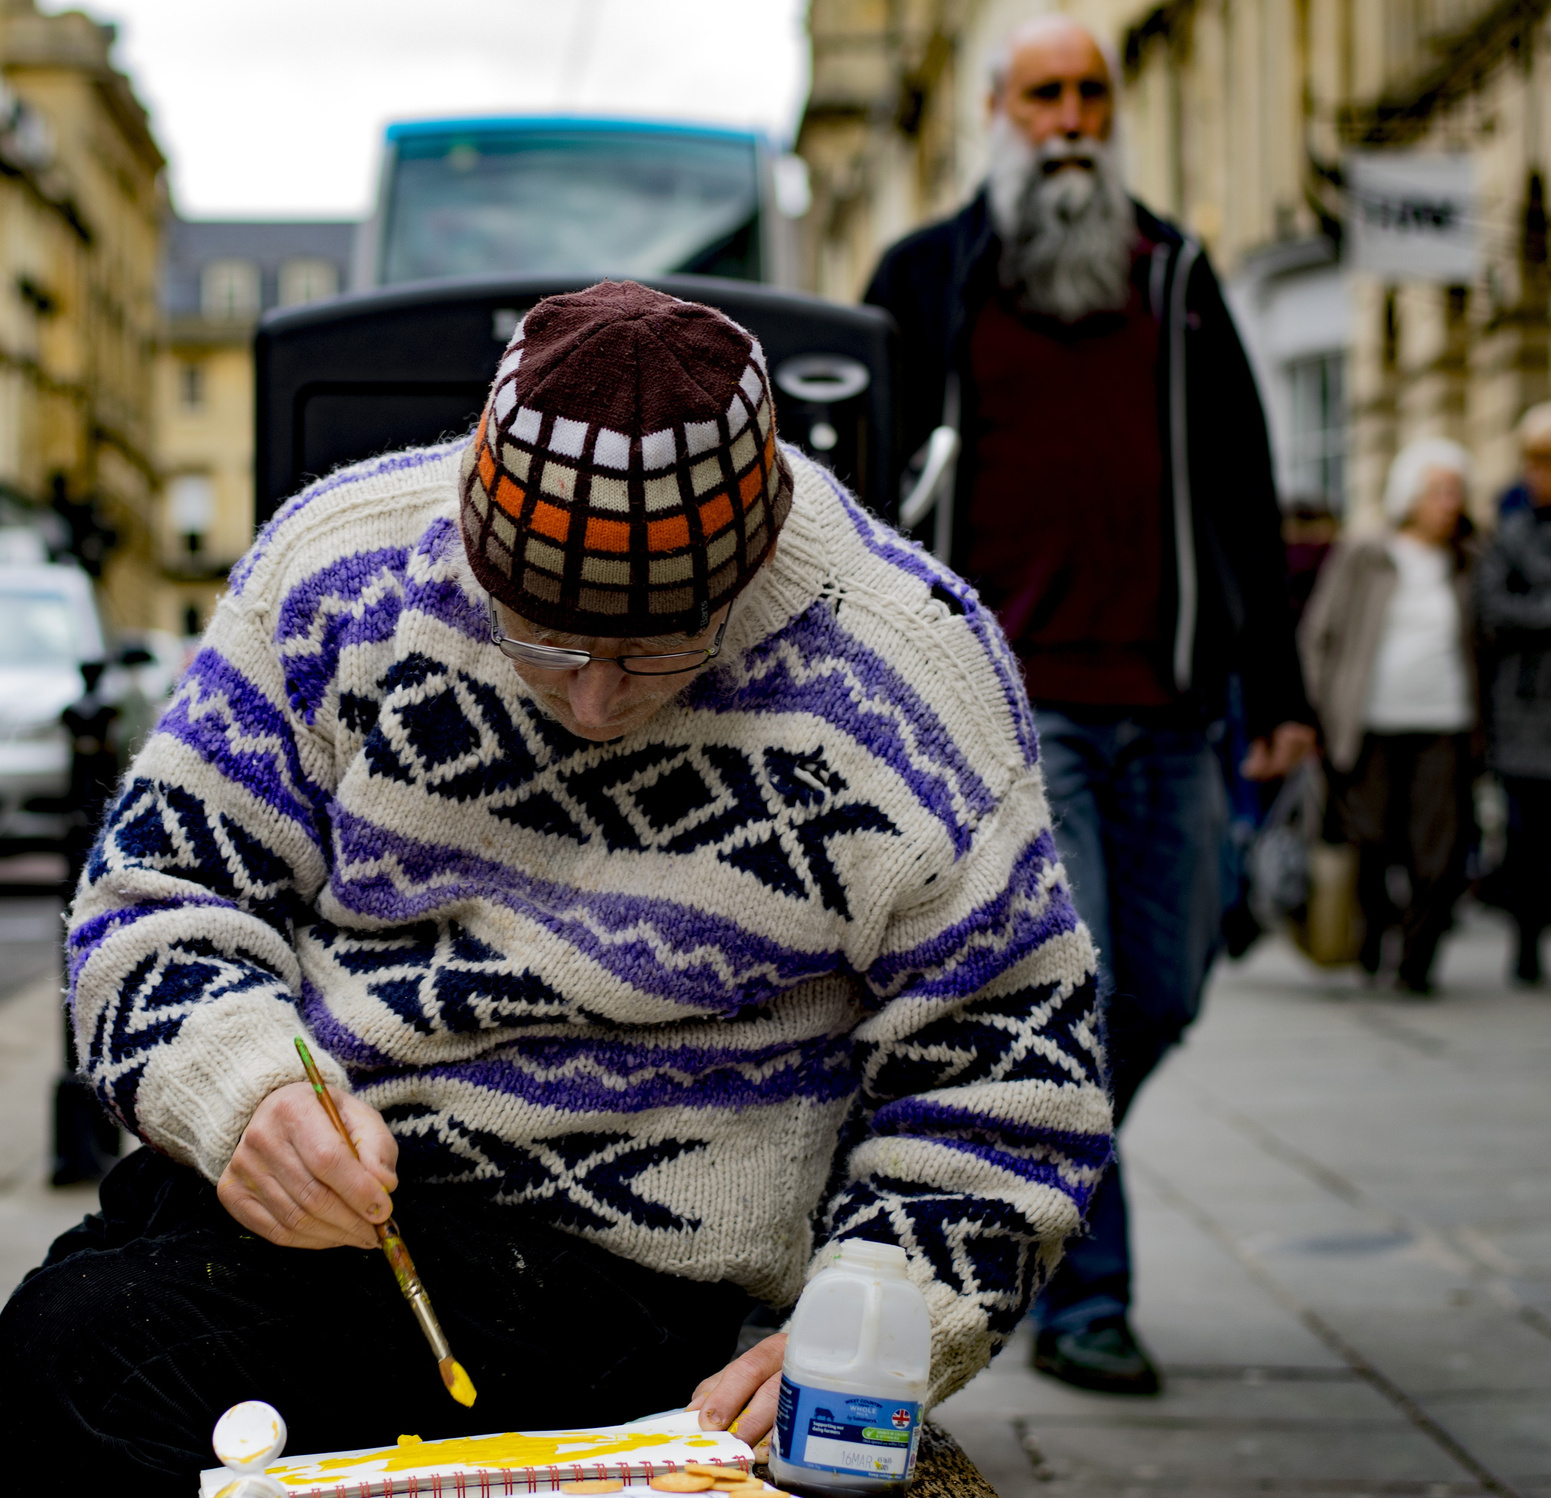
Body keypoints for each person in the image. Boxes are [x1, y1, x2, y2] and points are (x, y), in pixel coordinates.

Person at [0, 282, 1110, 1486]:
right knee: (54, 1351)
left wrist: (881, 1318)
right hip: (329, 1207)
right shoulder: (341, 570)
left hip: (645, 1288)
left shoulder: (907, 668)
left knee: (100, 1368)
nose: (591, 701)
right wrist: (241, 1093)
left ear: (754, 563)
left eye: (654, 651)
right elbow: (156, 891)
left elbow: (1012, 1071)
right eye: (542, 636)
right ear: (473, 537)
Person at [864, 17, 1313, 1396]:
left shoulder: (1174, 275)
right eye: (1043, 93)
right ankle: (1085, 1297)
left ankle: (1022, 1184)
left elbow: (1242, 488)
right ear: (998, 111)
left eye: (1090, 93)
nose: (1069, 115)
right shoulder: (927, 276)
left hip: (1174, 700)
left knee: (1168, 988)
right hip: (1016, 709)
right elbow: (872, 495)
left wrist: (1277, 686)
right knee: (1094, 983)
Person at [1300, 439, 1479, 995]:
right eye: (1437, 492)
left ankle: (1417, 961)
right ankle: (1374, 938)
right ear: (1408, 496)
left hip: (1445, 723)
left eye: (1456, 492)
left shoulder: (1472, 561)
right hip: (1368, 723)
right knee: (1370, 841)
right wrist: (1316, 712)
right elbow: (1319, 634)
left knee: (1438, 853)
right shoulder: (1365, 553)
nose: (1449, 503)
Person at [1477, 402, 1551, 991]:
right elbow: (1492, 613)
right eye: (1531, 462)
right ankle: (1527, 945)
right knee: (1531, 838)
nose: (1535, 474)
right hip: (1530, 709)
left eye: (1548, 463)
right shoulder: (1515, 533)